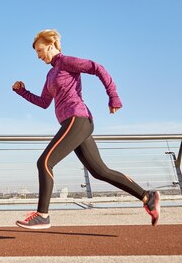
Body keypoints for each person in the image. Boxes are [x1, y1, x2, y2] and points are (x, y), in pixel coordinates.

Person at [12, 29, 160, 230]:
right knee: (100, 171)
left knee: (44, 162)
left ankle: (42, 215)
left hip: (78, 118)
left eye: (40, 50)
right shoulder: (50, 73)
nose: (38, 56)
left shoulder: (66, 62)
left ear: (51, 45)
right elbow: (44, 102)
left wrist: (113, 96)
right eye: (36, 53)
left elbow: (97, 67)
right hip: (73, 123)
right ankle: (147, 196)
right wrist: (22, 92)